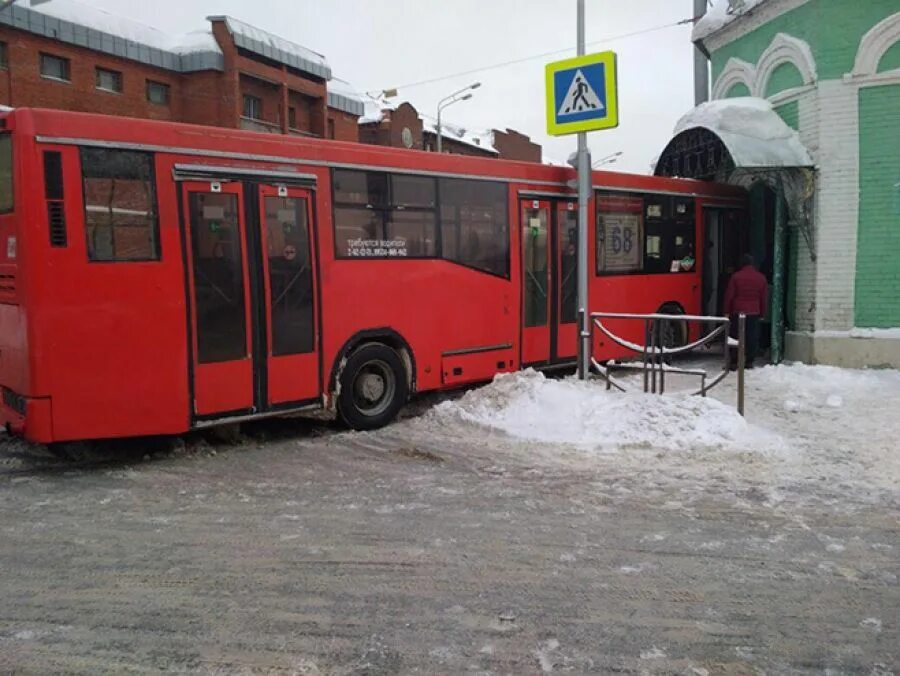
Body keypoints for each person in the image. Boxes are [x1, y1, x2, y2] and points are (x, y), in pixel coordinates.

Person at [723, 253, 768, 369]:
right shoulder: (761, 278)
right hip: (754, 311)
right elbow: (763, 298)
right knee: (751, 336)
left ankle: (734, 361)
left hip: (738, 311)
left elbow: (729, 295)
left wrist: (727, 310)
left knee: (735, 336)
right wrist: (762, 313)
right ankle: (749, 361)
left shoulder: (736, 277)